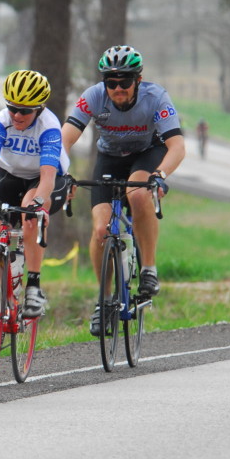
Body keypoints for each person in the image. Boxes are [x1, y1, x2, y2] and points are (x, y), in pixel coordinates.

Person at [60, 45, 185, 335]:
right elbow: (64, 139)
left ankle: (148, 270)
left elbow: (177, 146)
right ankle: (103, 302)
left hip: (146, 154)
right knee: (101, 230)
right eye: (111, 82)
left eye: (125, 82)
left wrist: (160, 175)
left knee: (138, 194)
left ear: (138, 81)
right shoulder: (93, 96)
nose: (117, 88)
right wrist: (61, 174)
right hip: (109, 158)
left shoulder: (156, 97)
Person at [0, 69, 71, 318]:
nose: (17, 115)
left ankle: (33, 287)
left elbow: (47, 177)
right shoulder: (2, 121)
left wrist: (38, 204)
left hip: (45, 179)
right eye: (13, 108)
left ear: (39, 109)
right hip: (9, 175)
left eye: (25, 110)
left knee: (30, 214)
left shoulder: (49, 127)